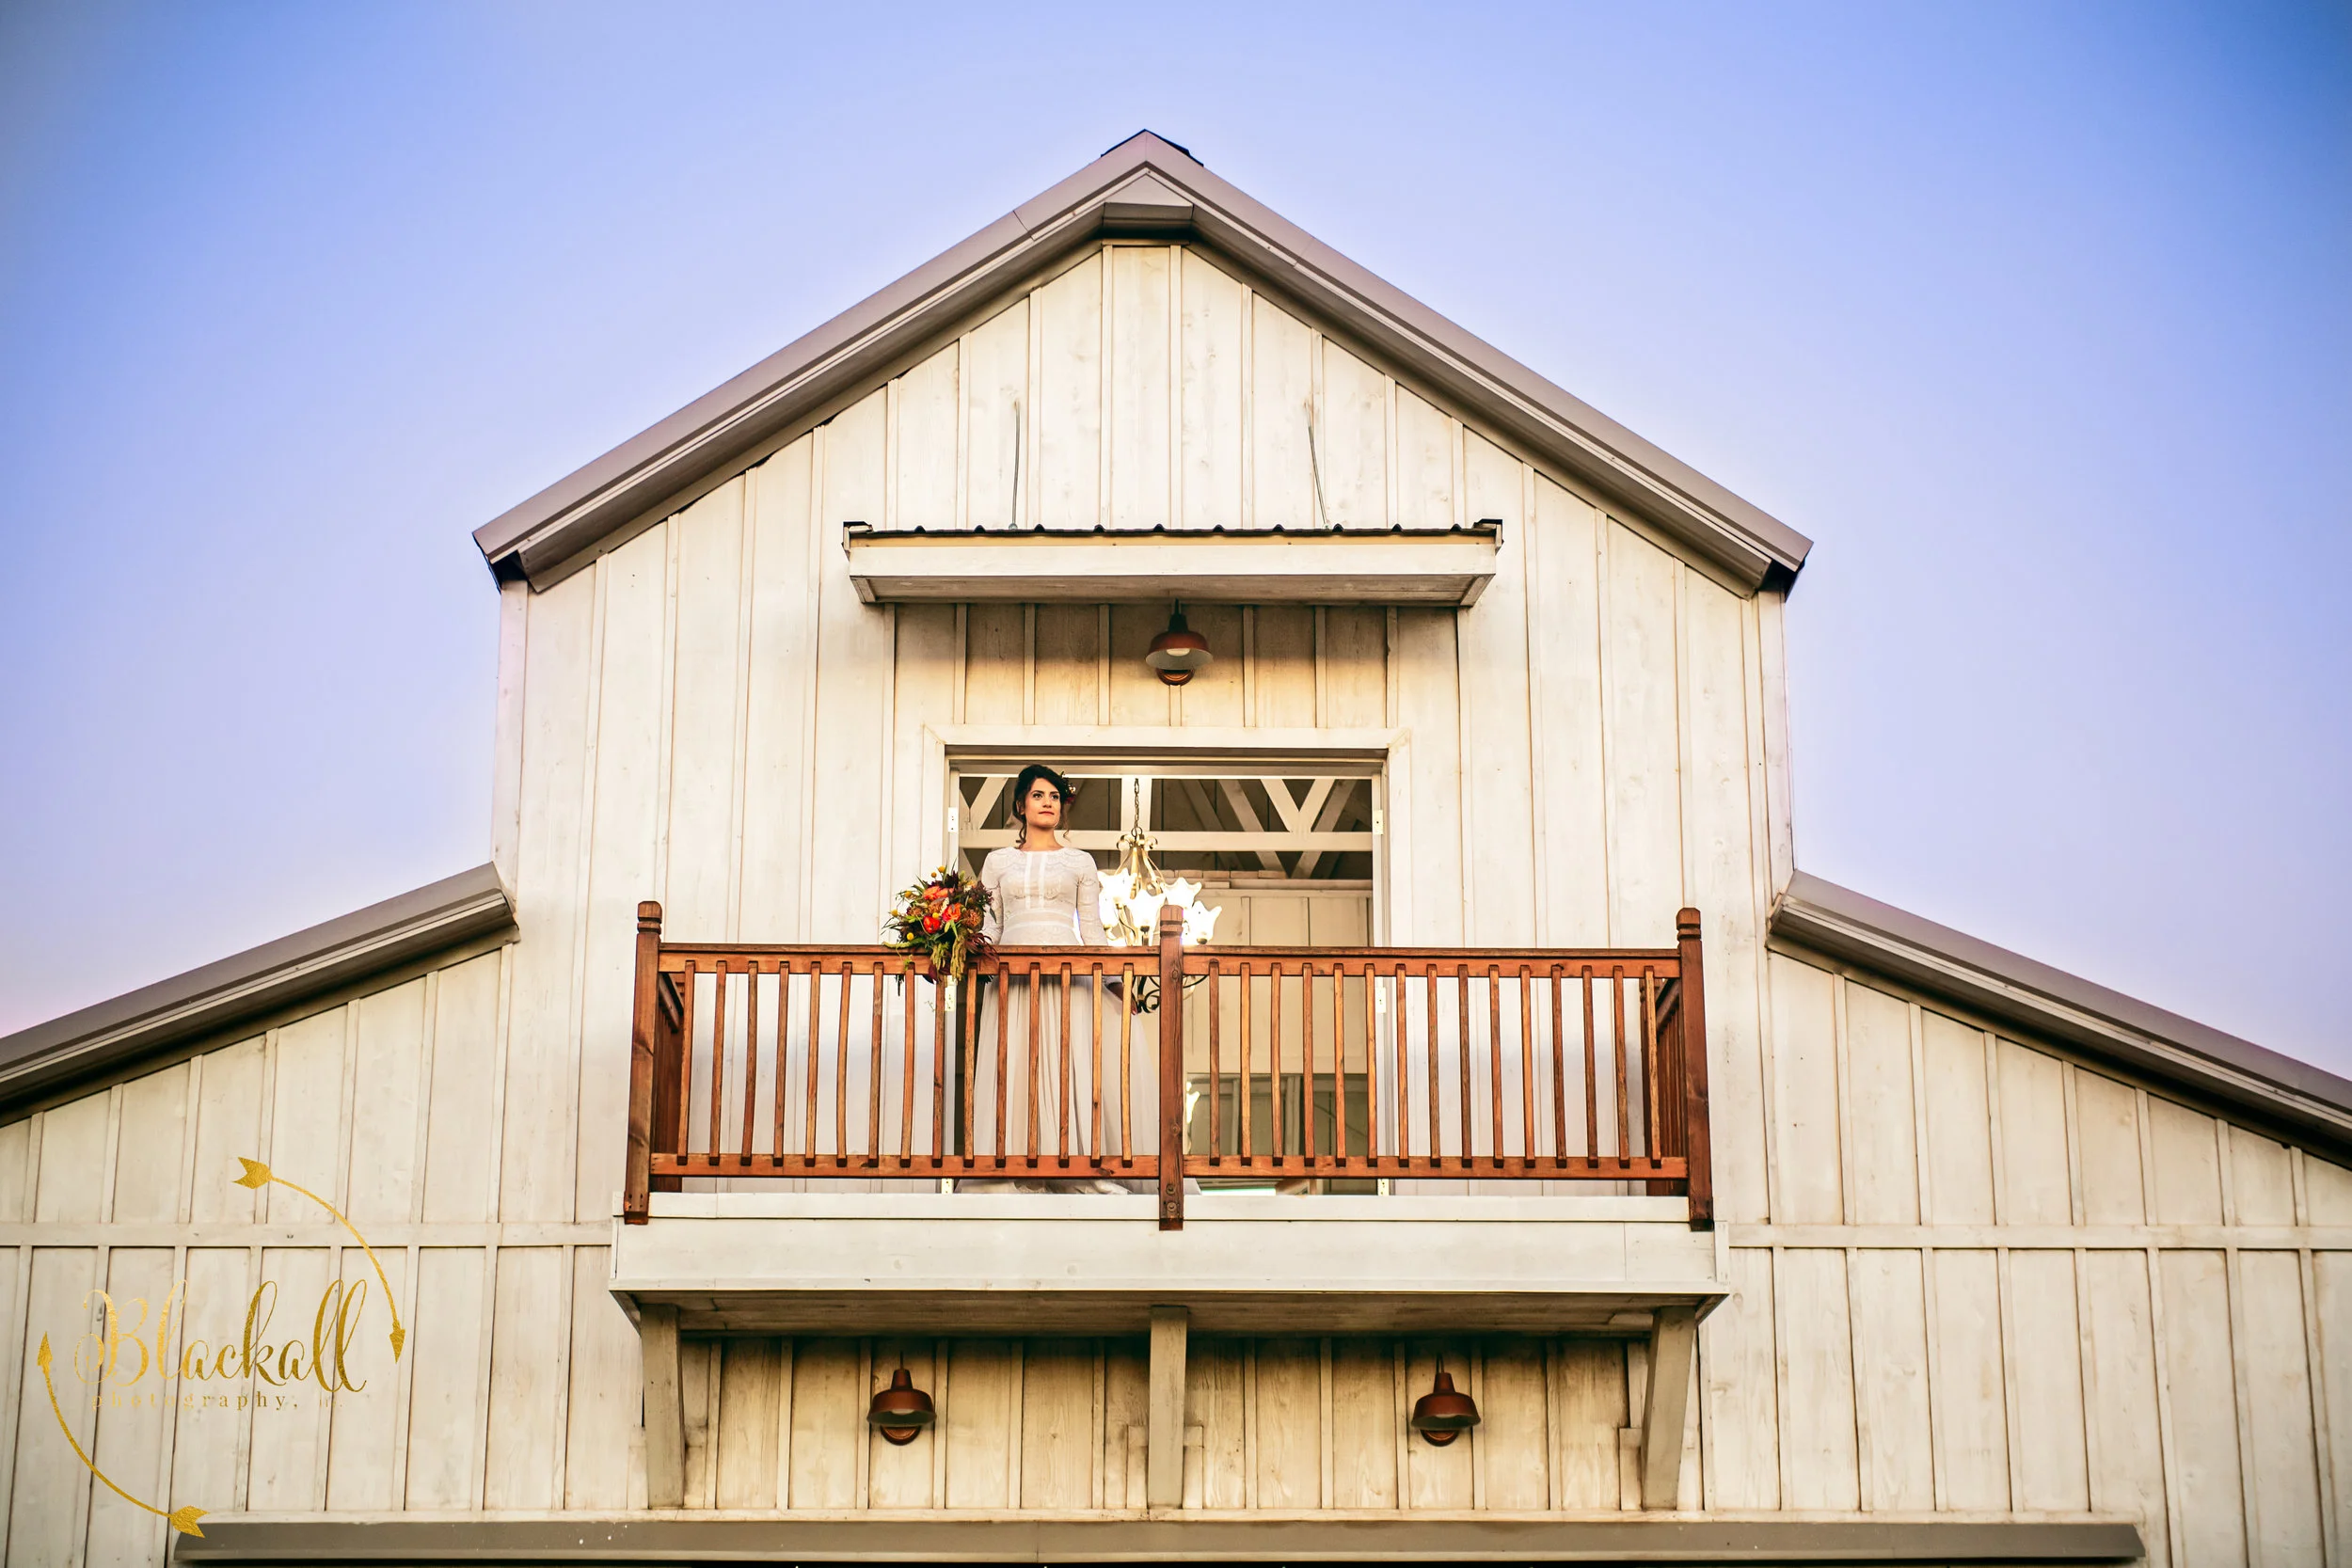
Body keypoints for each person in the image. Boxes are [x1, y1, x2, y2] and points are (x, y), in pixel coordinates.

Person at [961, 764, 1141, 1193]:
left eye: (1055, 797)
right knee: (1016, 1064)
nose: (1048, 803)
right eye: (1039, 795)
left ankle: (1073, 1166)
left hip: (1066, 975)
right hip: (1013, 980)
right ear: (1021, 805)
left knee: (1065, 1063)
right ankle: (1010, 1167)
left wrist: (1114, 983)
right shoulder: (997, 861)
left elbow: (1093, 930)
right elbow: (992, 927)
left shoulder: (1079, 861)